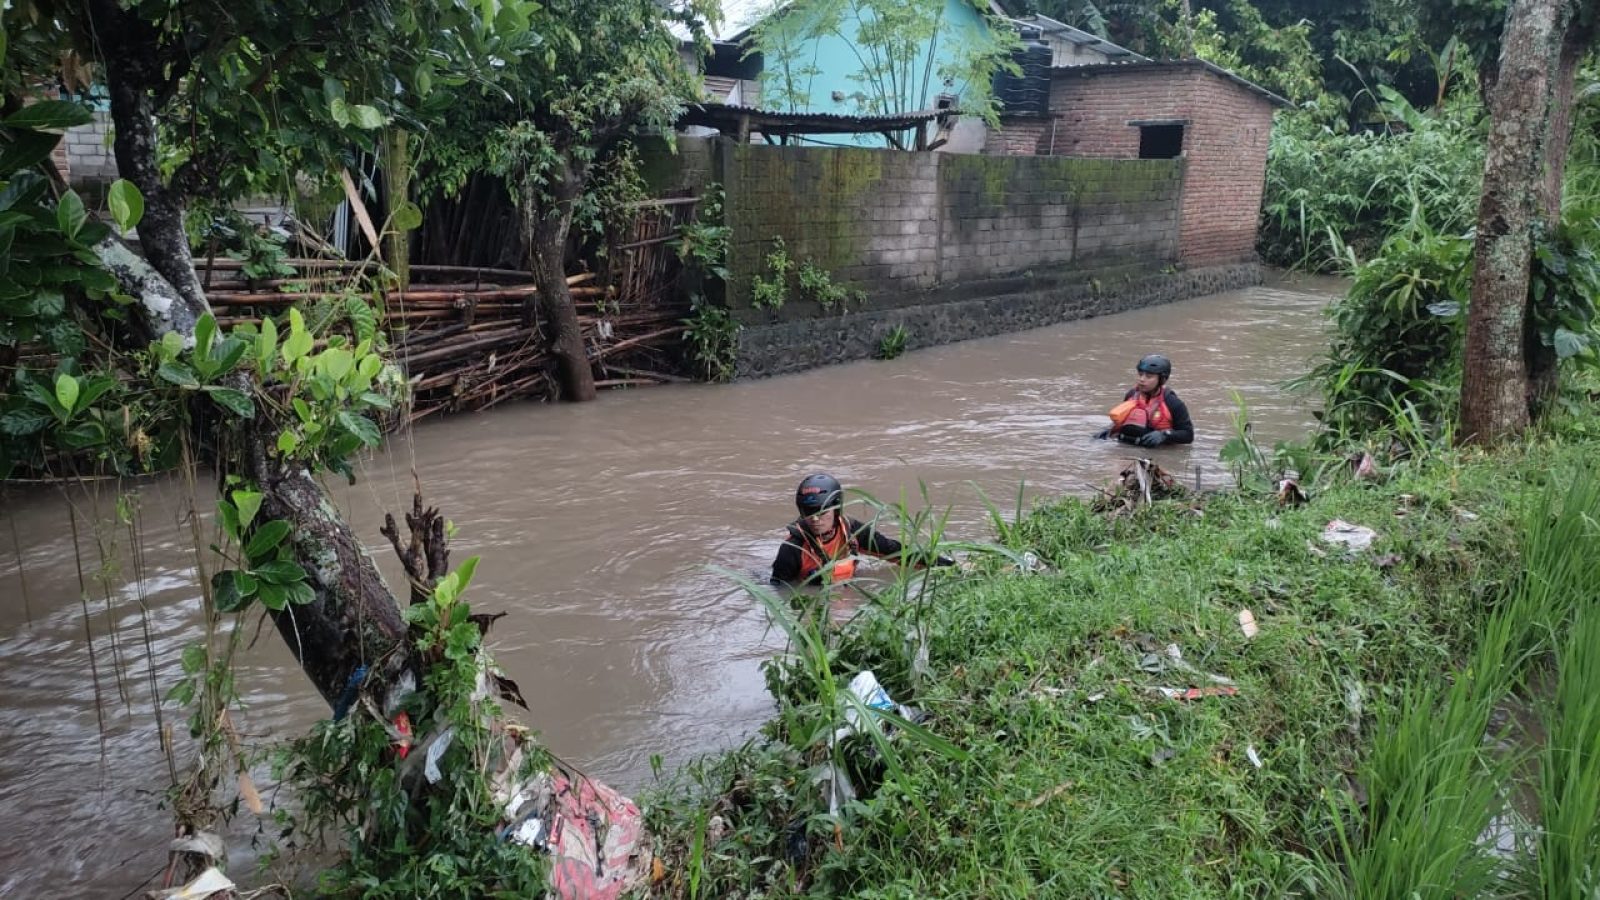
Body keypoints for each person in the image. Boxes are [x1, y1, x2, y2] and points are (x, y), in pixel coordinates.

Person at [771, 473, 952, 585]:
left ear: (836, 508)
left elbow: (897, 552)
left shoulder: (852, 531)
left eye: (822, 511)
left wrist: (948, 566)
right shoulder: (791, 549)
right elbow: (781, 593)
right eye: (809, 512)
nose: (815, 519)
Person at [1094, 354, 1195, 447]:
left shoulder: (1173, 403)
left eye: (1149, 376)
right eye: (1140, 374)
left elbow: (1188, 435)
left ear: (1162, 379)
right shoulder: (1131, 395)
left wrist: (1164, 435)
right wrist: (1108, 430)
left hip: (1156, 453)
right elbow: (1123, 420)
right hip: (1126, 447)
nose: (1142, 379)